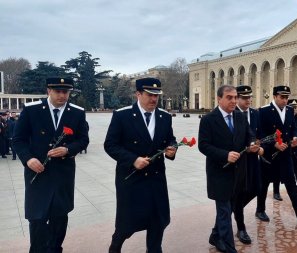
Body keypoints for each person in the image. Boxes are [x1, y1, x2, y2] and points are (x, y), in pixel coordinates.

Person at [12, 77, 89, 253]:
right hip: (38, 174)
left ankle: (55, 249)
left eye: (66, 92)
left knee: (59, 218)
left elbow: (83, 139)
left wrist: (68, 149)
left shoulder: (77, 112)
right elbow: (18, 140)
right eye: (58, 91)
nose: (62, 95)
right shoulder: (32, 110)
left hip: (63, 175)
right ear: (49, 91)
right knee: (37, 219)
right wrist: (28, 159)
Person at [104, 77, 177, 253]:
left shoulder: (164, 117)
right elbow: (110, 145)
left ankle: (154, 249)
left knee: (157, 220)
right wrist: (133, 159)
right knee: (127, 223)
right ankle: (115, 246)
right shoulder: (122, 115)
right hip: (131, 178)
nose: (154, 99)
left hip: (156, 178)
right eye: (150, 95)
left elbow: (170, 139)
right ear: (138, 94)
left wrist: (172, 149)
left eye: (157, 95)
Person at [198, 85, 260, 252]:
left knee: (229, 208)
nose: (233, 100)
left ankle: (215, 236)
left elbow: (249, 135)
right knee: (225, 211)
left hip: (238, 173)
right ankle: (229, 248)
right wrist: (224, 155)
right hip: (219, 173)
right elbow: (203, 146)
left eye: (235, 97)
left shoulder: (240, 117)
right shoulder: (208, 119)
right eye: (229, 97)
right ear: (219, 99)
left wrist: (252, 144)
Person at [255, 85, 297, 226]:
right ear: (274, 96)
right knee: (264, 184)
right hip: (269, 155)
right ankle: (260, 210)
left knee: (291, 184)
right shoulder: (264, 111)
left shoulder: (290, 111)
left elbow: (294, 129)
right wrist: (274, 144)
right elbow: (260, 134)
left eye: (287, 97)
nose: (285, 100)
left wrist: (295, 138)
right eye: (282, 97)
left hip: (286, 154)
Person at [232, 85, 264, 244]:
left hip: (253, 158)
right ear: (237, 98)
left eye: (249, 97)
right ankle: (241, 228)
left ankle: (231, 210)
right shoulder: (233, 114)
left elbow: (258, 134)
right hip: (239, 160)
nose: (248, 100)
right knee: (240, 193)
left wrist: (259, 146)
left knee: (257, 188)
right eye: (244, 98)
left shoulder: (255, 113)